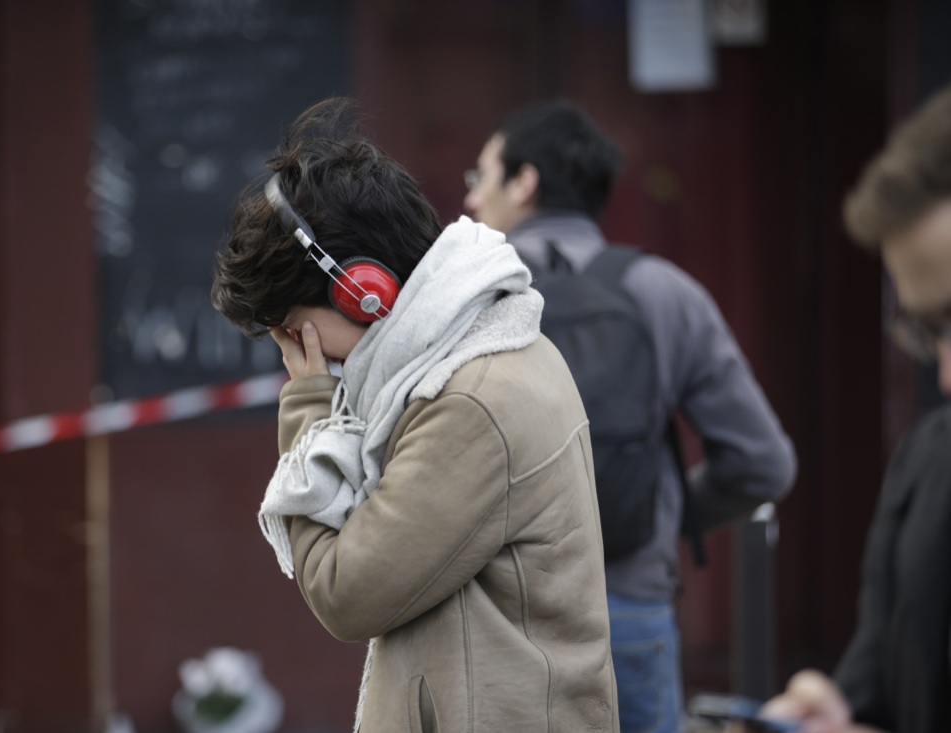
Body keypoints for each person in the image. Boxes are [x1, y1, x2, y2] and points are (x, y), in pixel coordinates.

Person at [211, 98, 618, 732]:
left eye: (294, 327)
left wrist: (309, 407)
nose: (295, 350)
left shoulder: (470, 401)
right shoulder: (480, 349)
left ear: (361, 289)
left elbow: (346, 594)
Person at [463, 99, 797, 733]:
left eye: (480, 178)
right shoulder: (667, 293)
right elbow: (764, 462)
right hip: (629, 610)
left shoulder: (464, 295)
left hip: (496, 616)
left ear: (524, 181)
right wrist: (664, 511)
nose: (473, 200)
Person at [756, 84, 951, 733]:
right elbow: (882, 687)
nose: (947, 374)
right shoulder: (927, 463)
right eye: (930, 329)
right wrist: (837, 716)